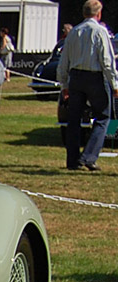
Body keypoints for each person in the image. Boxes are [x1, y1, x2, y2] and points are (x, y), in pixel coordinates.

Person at [59, 0, 118, 170]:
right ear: (98, 14)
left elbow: (64, 61)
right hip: (95, 77)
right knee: (103, 117)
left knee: (74, 120)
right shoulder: (100, 31)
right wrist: (114, 84)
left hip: (76, 77)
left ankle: (72, 161)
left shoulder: (74, 32)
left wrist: (64, 84)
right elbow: (107, 61)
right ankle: (89, 156)